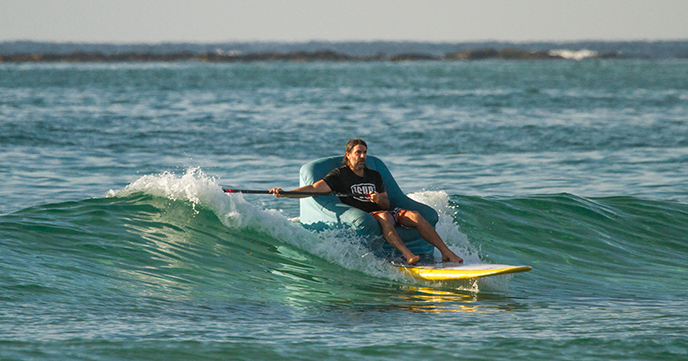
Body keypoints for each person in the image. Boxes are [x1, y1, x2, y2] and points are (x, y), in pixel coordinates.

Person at [269, 138, 463, 265]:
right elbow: (313, 189)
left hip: (383, 210)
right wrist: (286, 193)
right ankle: (407, 254)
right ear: (348, 155)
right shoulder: (340, 175)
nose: (362, 157)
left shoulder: (374, 175)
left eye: (364, 153)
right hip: (370, 215)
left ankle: (446, 252)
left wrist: (379, 199)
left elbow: (387, 204)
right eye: (358, 153)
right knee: (385, 217)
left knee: (415, 215)